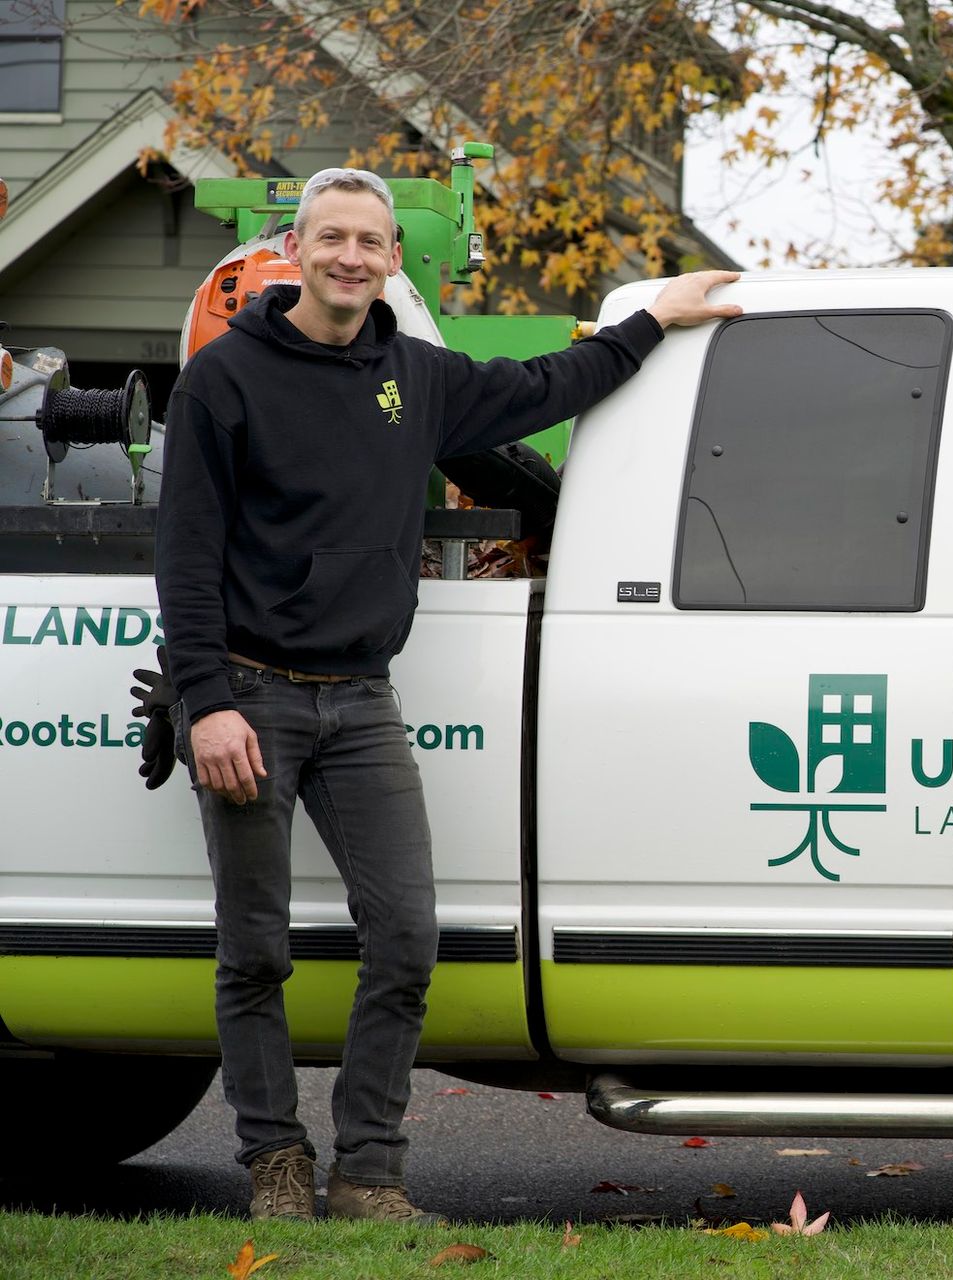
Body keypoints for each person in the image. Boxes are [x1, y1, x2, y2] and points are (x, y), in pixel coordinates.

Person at [155, 167, 739, 1223]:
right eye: (331, 238)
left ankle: (370, 1172)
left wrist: (653, 316)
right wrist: (206, 701)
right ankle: (276, 1162)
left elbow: (546, 387)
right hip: (251, 695)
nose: (350, 257)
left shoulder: (414, 378)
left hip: (359, 700)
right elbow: (185, 554)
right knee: (255, 948)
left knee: (406, 936)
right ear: (296, 249)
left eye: (370, 242)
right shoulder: (225, 380)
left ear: (389, 260)